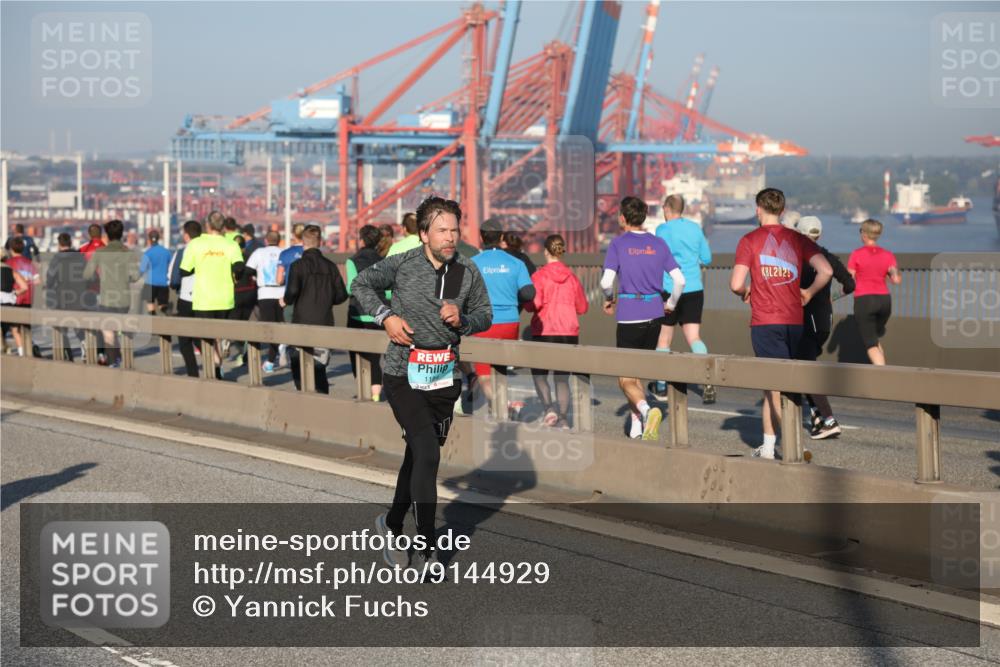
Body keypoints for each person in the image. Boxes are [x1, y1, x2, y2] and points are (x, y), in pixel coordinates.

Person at [353, 196, 492, 571]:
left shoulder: (465, 270)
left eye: (454, 229)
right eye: (442, 230)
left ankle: (392, 523)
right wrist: (385, 316)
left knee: (419, 455)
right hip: (402, 373)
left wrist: (464, 319)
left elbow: (485, 314)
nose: (450, 237)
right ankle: (428, 546)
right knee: (428, 453)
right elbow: (360, 284)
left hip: (444, 377)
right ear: (424, 233)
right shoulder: (402, 264)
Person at [729, 188, 833, 459]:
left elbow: (735, 284)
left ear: (757, 209)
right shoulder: (797, 239)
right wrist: (809, 293)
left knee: (773, 385)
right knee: (781, 385)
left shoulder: (749, 240)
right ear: (783, 211)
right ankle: (769, 444)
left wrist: (745, 293)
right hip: (795, 321)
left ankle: (788, 445)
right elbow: (827, 270)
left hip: (765, 322)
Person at [602, 196, 685, 440]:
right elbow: (679, 280)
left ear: (622, 218)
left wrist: (609, 298)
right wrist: (669, 304)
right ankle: (637, 427)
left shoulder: (618, 244)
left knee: (625, 378)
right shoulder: (658, 243)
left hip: (629, 313)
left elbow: (606, 282)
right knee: (637, 373)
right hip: (655, 314)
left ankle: (647, 410)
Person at [793, 216, 855, 439]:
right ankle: (817, 415)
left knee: (807, 369)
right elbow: (850, 285)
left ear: (798, 233)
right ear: (819, 234)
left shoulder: (797, 257)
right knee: (803, 365)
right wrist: (831, 298)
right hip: (824, 322)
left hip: (803, 320)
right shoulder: (827, 257)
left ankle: (829, 420)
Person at [650, 194, 716, 404]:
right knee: (694, 338)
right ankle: (708, 381)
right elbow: (707, 258)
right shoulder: (695, 228)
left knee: (664, 340)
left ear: (667, 209)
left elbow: (656, 258)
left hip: (669, 289)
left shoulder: (662, 230)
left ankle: (660, 387)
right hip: (694, 288)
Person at [468, 218, 535, 409]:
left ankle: (502, 405)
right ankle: (501, 408)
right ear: (501, 237)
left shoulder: (472, 263)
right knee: (501, 367)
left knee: (483, 372)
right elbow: (529, 293)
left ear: (481, 238)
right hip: (510, 322)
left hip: (483, 322)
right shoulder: (516, 262)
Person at [524, 234, 588, 428]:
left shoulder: (539, 276)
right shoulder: (572, 277)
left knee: (540, 375)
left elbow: (532, 305)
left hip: (545, 331)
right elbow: (583, 308)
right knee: (562, 378)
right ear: (562, 252)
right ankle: (563, 418)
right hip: (568, 333)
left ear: (546, 251)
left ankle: (549, 410)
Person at [281, 225, 348, 393]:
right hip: (324, 321)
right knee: (320, 367)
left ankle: (302, 393)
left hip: (301, 320)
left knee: (298, 361)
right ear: (320, 242)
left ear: (303, 242)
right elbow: (342, 295)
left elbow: (292, 291)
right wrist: (326, 300)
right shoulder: (330, 266)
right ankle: (322, 397)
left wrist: (286, 300)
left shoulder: (298, 265)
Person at [179, 211, 245, 378]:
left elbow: (184, 271)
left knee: (205, 340)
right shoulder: (231, 245)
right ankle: (220, 354)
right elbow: (239, 268)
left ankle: (213, 370)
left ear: (207, 225)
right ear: (223, 226)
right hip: (226, 299)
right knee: (218, 334)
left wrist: (201, 265)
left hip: (203, 300)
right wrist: (233, 276)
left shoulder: (196, 244)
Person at [83, 220, 140, 367]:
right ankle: (118, 357)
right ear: (121, 235)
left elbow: (87, 275)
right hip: (125, 300)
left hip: (107, 299)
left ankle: (114, 361)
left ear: (107, 235)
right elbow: (135, 277)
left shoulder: (100, 253)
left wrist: (100, 276)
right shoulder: (128, 253)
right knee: (116, 329)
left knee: (108, 332)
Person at [848, 218, 901, 366]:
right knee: (874, 339)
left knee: (870, 346)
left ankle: (883, 378)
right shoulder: (888, 255)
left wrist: (832, 297)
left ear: (864, 234)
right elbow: (896, 279)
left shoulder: (856, 254)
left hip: (864, 301)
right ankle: (881, 372)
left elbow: (849, 282)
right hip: (884, 301)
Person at [346, 224, 387, 401]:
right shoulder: (385, 261)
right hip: (379, 314)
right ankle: (376, 394)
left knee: (357, 353)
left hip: (358, 314)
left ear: (361, 240)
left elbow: (350, 289)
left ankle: (363, 389)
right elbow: (390, 291)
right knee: (375, 356)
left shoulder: (352, 261)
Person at [44, 233, 89, 359]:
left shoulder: (57, 259)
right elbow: (90, 276)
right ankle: (84, 347)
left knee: (62, 327)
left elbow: (50, 278)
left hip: (62, 297)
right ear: (70, 243)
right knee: (78, 325)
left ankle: (67, 353)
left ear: (59, 244)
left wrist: (49, 289)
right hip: (80, 296)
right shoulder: (80, 257)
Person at [245, 230, 284, 373]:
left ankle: (272, 358)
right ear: (279, 241)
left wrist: (257, 276)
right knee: (281, 325)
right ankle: (270, 361)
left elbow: (248, 270)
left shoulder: (259, 252)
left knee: (269, 328)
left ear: (266, 241)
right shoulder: (284, 252)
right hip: (282, 292)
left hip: (265, 293)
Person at [168, 220, 203, 377]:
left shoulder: (183, 252)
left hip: (187, 298)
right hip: (208, 298)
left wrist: (175, 287)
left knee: (185, 340)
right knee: (204, 336)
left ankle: (193, 373)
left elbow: (173, 278)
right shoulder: (208, 251)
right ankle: (215, 366)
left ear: (186, 235)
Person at [3, 239, 39, 356]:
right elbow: (38, 281)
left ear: (11, 249)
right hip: (28, 298)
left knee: (14, 329)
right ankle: (29, 348)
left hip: (14, 299)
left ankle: (21, 352)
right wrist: (28, 281)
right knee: (26, 328)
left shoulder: (8, 263)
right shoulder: (29, 263)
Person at [139, 229, 171, 315]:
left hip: (150, 283)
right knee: (163, 305)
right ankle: (167, 312)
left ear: (148, 240)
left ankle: (153, 317)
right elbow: (170, 266)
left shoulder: (147, 253)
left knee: (150, 303)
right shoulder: (166, 252)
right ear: (158, 239)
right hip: (163, 283)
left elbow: (142, 270)